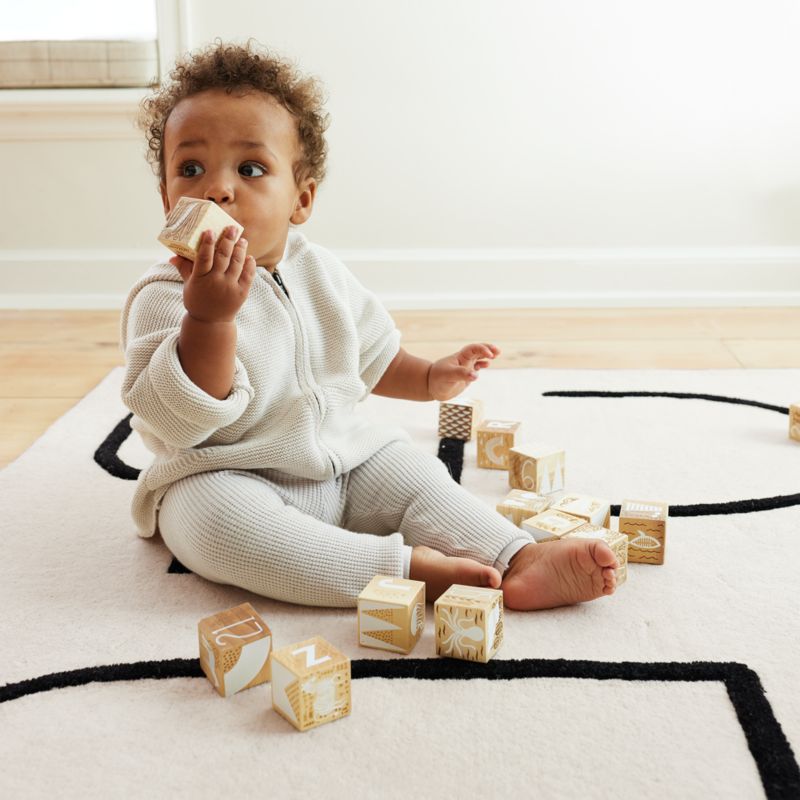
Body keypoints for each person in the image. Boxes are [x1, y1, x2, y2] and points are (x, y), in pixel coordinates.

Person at [122, 40, 618, 609]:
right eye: (190, 169)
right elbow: (175, 420)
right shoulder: (164, 297)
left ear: (300, 199)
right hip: (228, 473)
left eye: (251, 168)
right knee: (207, 526)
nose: (217, 188)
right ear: (167, 200)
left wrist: (430, 376)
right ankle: (403, 572)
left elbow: (371, 355)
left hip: (344, 459)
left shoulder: (322, 273)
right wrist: (208, 317)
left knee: (412, 470)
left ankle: (518, 555)